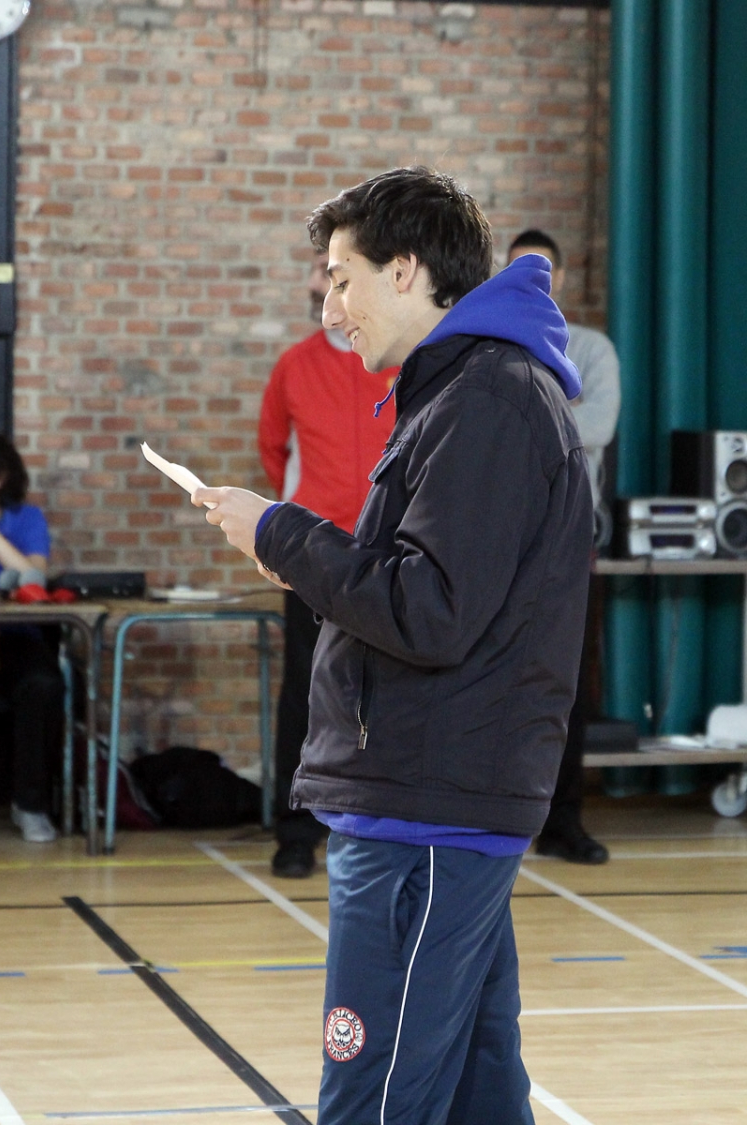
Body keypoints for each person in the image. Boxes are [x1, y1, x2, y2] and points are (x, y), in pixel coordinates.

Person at [193, 166, 593, 1125]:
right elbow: (434, 587)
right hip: (434, 797)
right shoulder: (465, 391)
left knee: (375, 1096)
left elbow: (430, 611)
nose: (332, 307)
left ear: (405, 270)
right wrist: (300, 555)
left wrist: (285, 533)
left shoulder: (487, 401)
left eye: (343, 278)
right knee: (477, 1091)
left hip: (427, 808)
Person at [258, 252, 397, 878]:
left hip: (389, 553)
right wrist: (303, 525)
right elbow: (273, 450)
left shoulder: (397, 362)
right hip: (314, 555)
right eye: (323, 271)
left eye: (340, 272)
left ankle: (382, 823)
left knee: (390, 691)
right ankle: (295, 832)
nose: (330, 284)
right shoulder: (294, 365)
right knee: (306, 691)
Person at [508, 229, 621, 865]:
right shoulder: (493, 347)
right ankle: (499, 816)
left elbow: (597, 426)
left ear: (563, 278)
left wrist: (524, 416)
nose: (534, 279)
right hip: (504, 540)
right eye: (519, 268)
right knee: (499, 679)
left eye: (544, 269)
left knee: (568, 686)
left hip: (571, 541)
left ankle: (563, 821)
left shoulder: (592, 350)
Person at [0, 434, 64, 843]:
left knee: (43, 685)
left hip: (15, 636)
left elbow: (33, 576)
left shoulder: (26, 519)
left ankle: (30, 804)